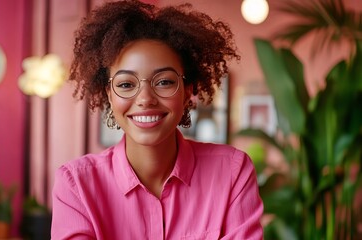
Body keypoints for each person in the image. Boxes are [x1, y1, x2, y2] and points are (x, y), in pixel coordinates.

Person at [51, 0, 263, 239]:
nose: (145, 99)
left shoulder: (232, 173)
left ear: (187, 91)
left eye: (164, 82)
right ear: (109, 95)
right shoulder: (76, 185)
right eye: (126, 84)